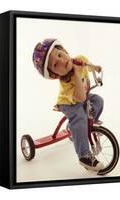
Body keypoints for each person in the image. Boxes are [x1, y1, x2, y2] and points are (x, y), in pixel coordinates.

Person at [32, 38, 104, 171]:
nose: (61, 61)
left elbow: (87, 65)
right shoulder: (66, 81)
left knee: (98, 100)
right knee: (80, 117)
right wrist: (76, 73)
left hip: (83, 95)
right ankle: (84, 156)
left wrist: (95, 68)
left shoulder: (79, 59)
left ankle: (88, 124)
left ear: (64, 51)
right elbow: (80, 98)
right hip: (69, 102)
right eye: (55, 65)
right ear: (55, 74)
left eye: (59, 55)